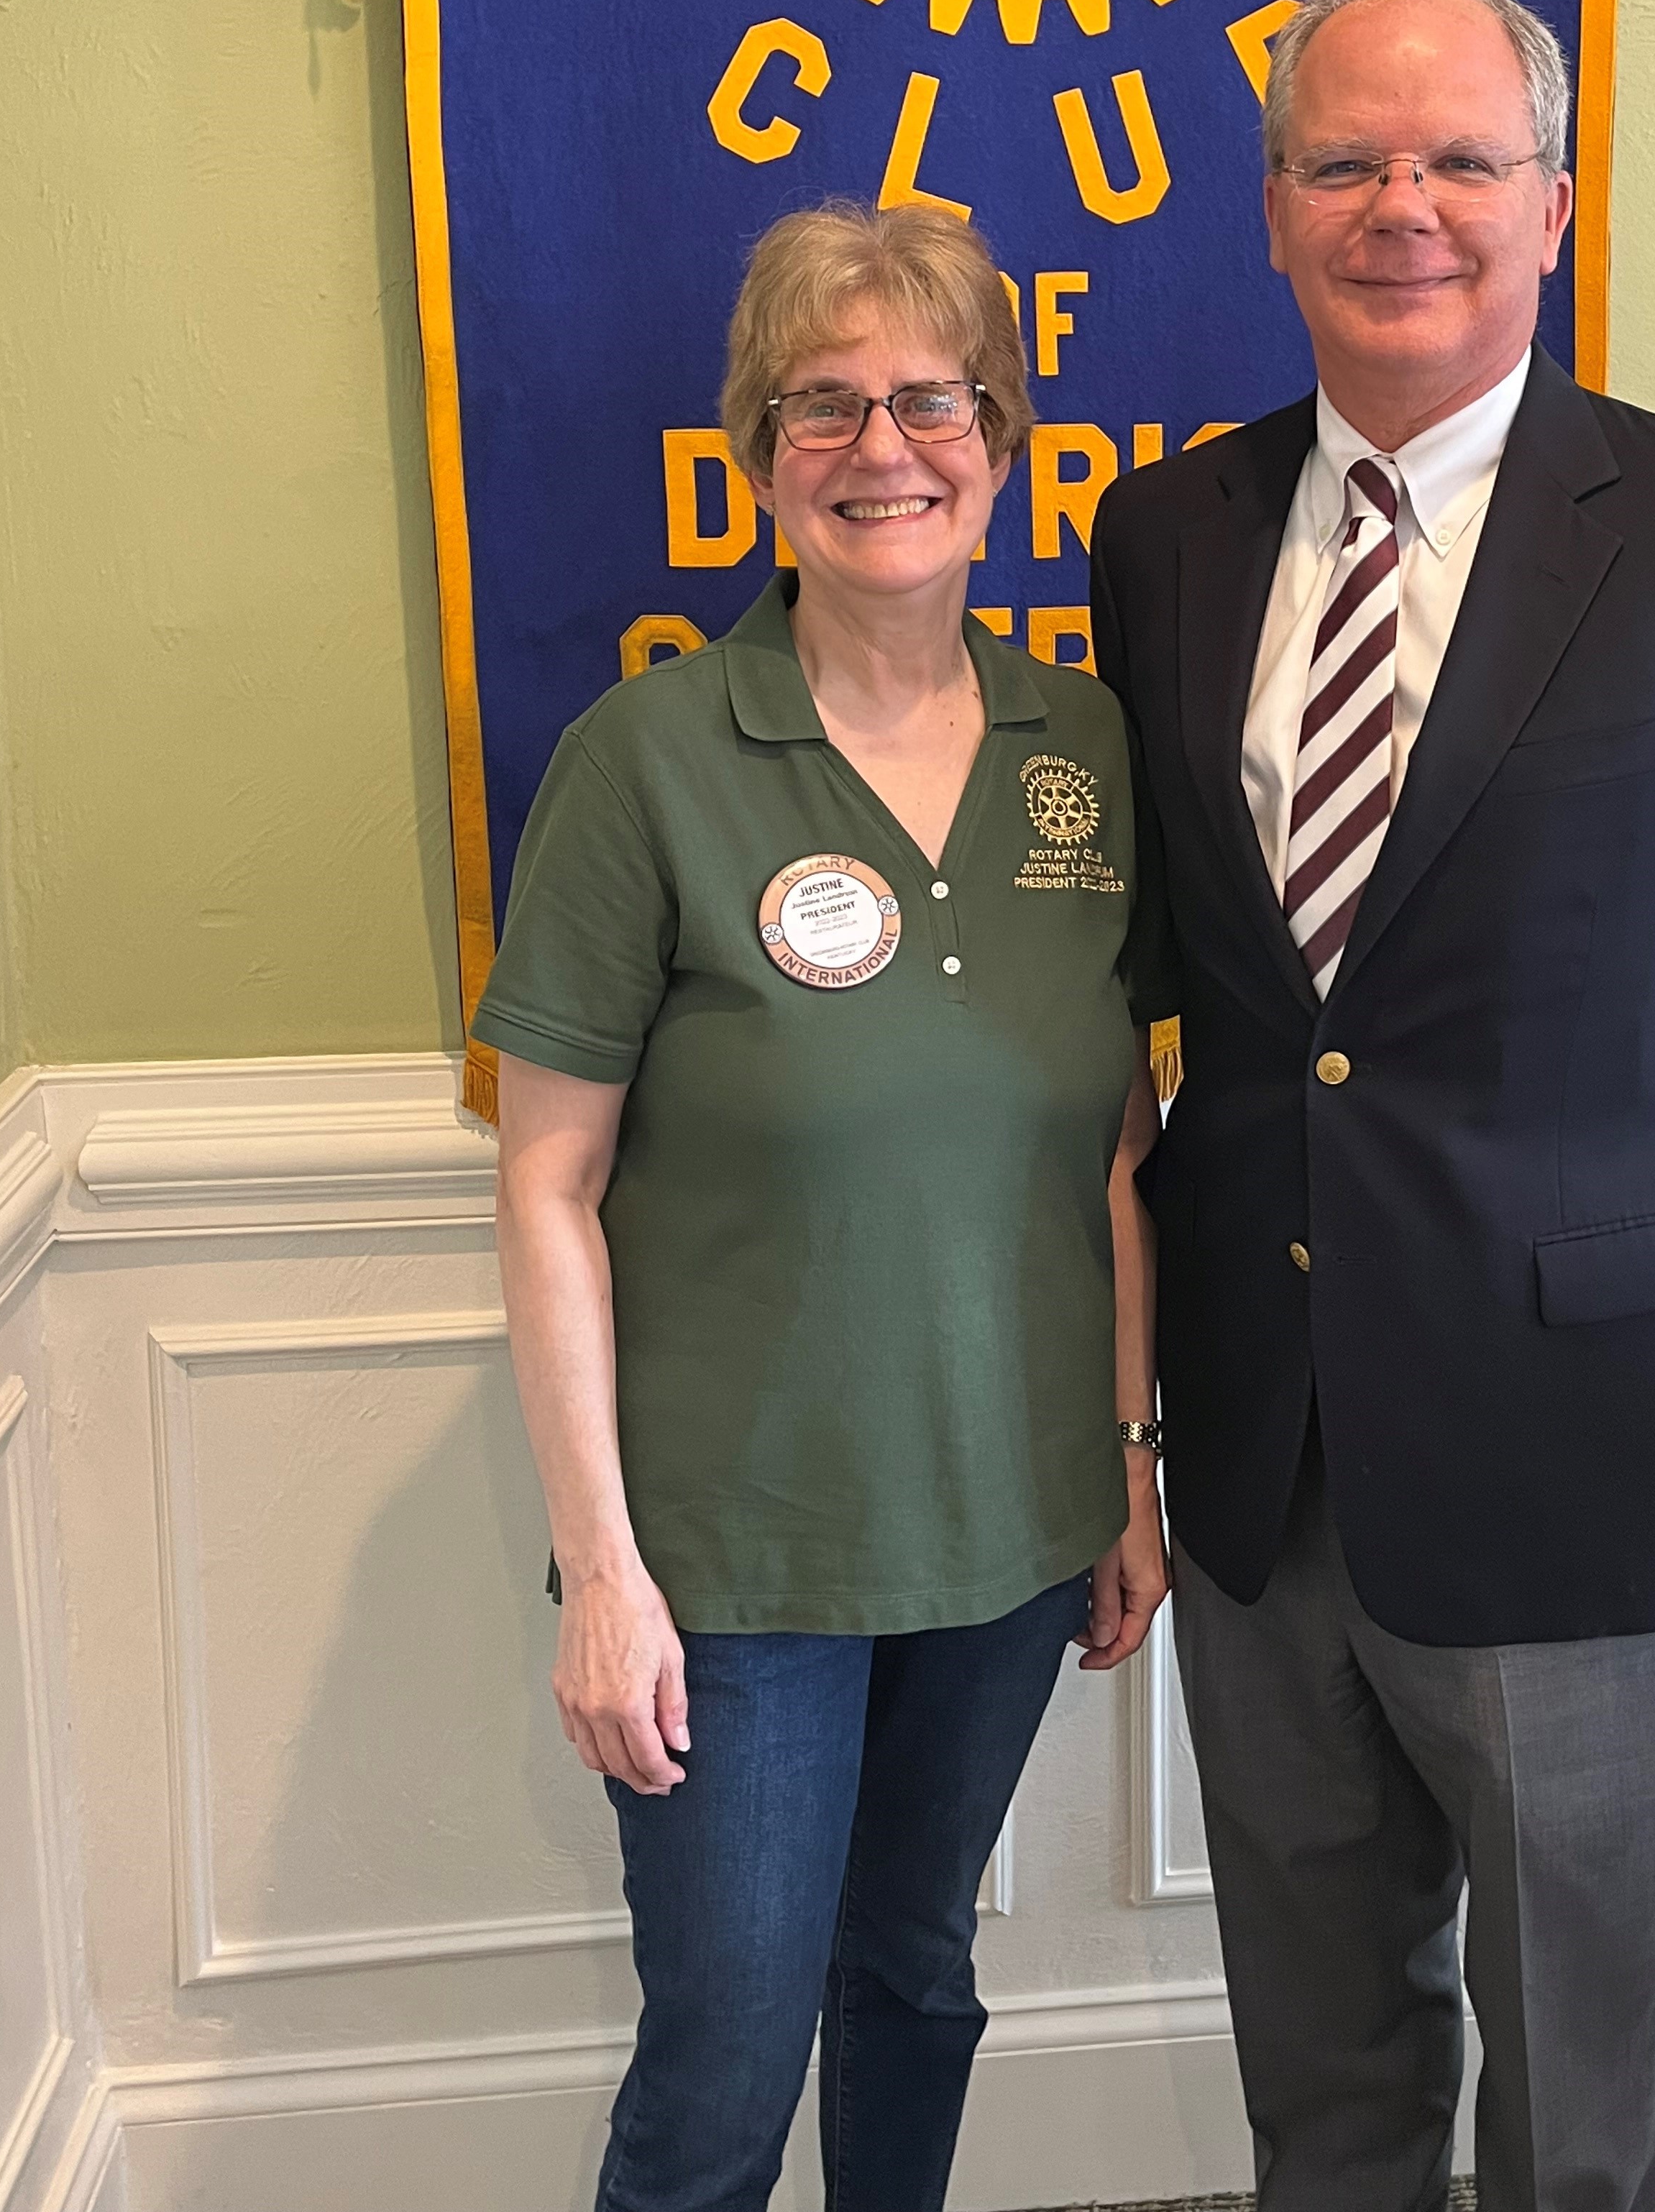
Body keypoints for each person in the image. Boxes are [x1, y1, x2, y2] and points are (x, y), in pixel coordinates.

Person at [1088, 0, 1655, 2212]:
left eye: (1463, 159)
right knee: (1328, 2073)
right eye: (1346, 161)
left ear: (1551, 208)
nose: (1406, 207)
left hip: (1589, 1448)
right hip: (1269, 1455)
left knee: (1573, 2105)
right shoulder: (1164, 543)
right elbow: (1192, 981)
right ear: (1268, 209)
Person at [477, 200, 1170, 2212]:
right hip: (734, 1564)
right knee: (725, 2053)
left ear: (1005, 437)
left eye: (931, 400)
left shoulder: (1092, 754)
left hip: (1012, 1531)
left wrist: (1127, 1471)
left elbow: (1116, 1143)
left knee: (916, 1978)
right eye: (825, 406)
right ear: (760, 454)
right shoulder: (648, 761)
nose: (886, 448)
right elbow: (547, 1184)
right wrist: (602, 1573)